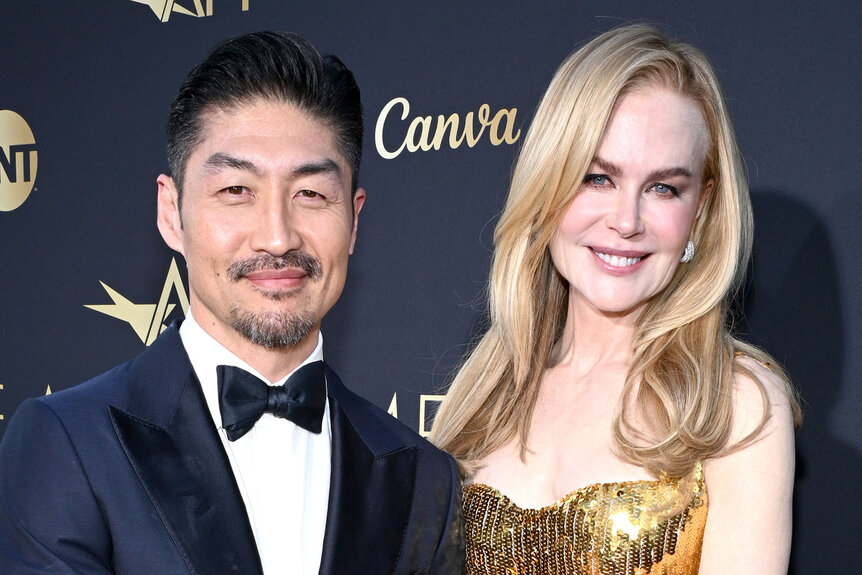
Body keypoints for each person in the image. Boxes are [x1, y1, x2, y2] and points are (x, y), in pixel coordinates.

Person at [0, 31, 464, 575]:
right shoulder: (68, 444)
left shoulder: (424, 480)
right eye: (236, 191)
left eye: (311, 194)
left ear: (355, 219)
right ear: (171, 213)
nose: (277, 236)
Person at [431, 24, 801, 575]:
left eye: (663, 188)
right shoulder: (484, 397)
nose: (626, 222)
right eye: (598, 178)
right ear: (548, 184)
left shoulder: (735, 403)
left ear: (700, 209)